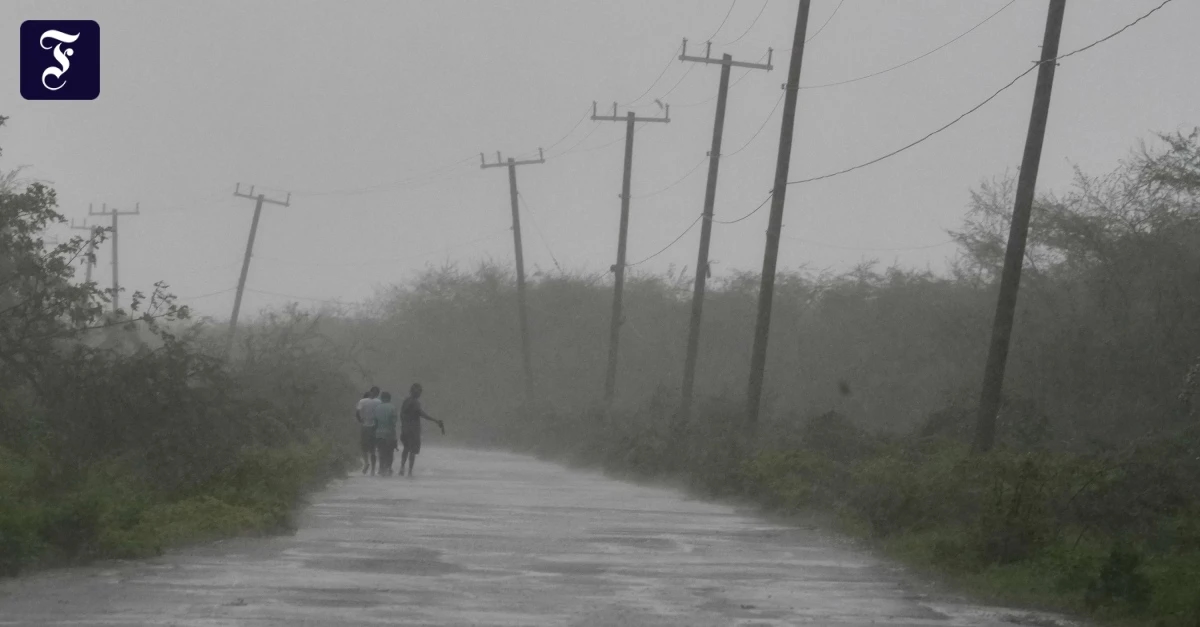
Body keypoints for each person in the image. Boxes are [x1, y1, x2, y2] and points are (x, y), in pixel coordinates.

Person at [399, 383, 444, 478]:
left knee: (406, 449)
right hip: (413, 430)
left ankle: (402, 468)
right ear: (416, 392)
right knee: (412, 451)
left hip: (405, 429)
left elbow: (402, 415)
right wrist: (435, 420)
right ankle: (410, 471)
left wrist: (403, 426)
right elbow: (422, 414)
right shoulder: (415, 403)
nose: (420, 394)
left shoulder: (406, 401)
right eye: (419, 392)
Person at [355, 386, 381, 475]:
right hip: (374, 427)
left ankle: (366, 463)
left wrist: (360, 420)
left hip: (365, 426)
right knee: (373, 449)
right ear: (378, 393)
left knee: (364, 448)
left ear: (370, 392)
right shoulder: (379, 402)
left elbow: (357, 413)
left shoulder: (362, 401)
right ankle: (373, 470)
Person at [374, 391, 400, 476]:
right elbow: (394, 422)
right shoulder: (392, 407)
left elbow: (375, 421)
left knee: (381, 451)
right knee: (390, 452)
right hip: (389, 433)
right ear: (389, 398)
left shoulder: (377, 408)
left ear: (381, 398)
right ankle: (389, 467)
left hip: (379, 433)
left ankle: (381, 468)